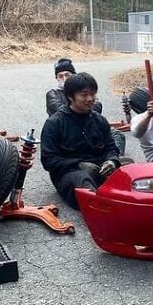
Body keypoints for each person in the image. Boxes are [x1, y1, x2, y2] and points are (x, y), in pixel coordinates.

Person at [41, 72, 121, 209]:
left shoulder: (99, 120)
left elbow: (110, 148)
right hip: (68, 174)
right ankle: (100, 210)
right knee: (82, 179)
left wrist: (111, 161)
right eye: (84, 95)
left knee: (127, 173)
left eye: (93, 94)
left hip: (99, 169)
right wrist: (79, 164)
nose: (90, 99)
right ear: (70, 97)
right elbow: (48, 160)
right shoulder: (55, 123)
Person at [45, 58, 125, 155]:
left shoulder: (87, 94)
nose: (64, 79)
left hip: (89, 127)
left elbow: (97, 105)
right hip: (67, 131)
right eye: (60, 76)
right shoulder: (53, 94)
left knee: (116, 135)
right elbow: (59, 111)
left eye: (67, 75)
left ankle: (116, 159)